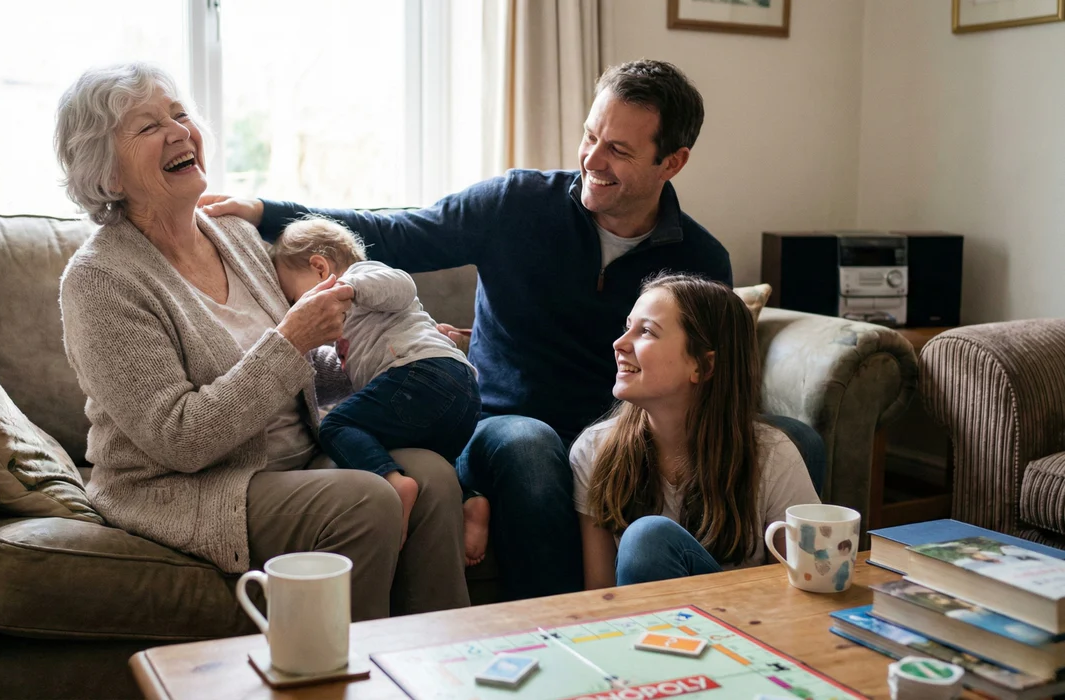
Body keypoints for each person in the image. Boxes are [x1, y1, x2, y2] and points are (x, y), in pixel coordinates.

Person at [200, 59, 824, 600]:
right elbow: (396, 231)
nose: (591, 161)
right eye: (590, 137)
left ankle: (767, 614)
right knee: (530, 446)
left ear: (673, 162)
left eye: (619, 151)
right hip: (504, 422)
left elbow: (714, 378)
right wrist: (266, 212)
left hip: (629, 430)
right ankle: (553, 636)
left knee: (797, 439)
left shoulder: (701, 260)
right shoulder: (517, 203)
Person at [54, 63, 468, 625]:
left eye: (179, 114)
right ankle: (352, 680)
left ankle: (439, 669)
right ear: (106, 174)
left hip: (298, 458)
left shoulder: (236, 236)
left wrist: (401, 344)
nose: (178, 131)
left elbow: (310, 361)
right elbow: (181, 438)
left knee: (434, 479)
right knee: (369, 501)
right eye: (148, 127)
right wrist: (289, 338)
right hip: (191, 485)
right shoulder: (100, 279)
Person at [572, 275, 820, 587]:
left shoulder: (774, 456)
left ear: (703, 367)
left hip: (741, 625)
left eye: (646, 331)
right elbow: (601, 595)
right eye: (628, 327)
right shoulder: (594, 451)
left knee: (648, 539)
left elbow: (803, 588)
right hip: (640, 631)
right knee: (647, 538)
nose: (619, 344)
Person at [269, 217, 485, 561]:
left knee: (336, 426)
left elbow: (402, 285)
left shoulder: (359, 278)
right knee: (423, 455)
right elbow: (318, 366)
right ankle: (469, 500)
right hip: (455, 394)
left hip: (422, 374)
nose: (298, 309)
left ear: (320, 268)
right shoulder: (352, 325)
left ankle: (395, 484)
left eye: (296, 298)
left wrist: (347, 291)